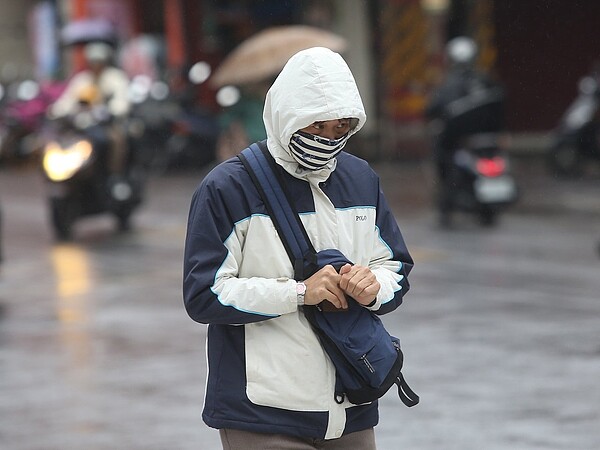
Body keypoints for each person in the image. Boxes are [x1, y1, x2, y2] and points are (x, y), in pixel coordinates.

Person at [183, 47, 414, 449]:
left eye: (340, 127)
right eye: (316, 126)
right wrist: (299, 293)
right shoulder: (226, 189)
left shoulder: (361, 179)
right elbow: (204, 293)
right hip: (263, 410)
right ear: (286, 115)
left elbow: (394, 264)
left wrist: (373, 285)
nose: (328, 139)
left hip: (351, 402)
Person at [425, 36, 505, 226]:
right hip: (483, 139)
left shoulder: (449, 84)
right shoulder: (485, 79)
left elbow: (433, 109)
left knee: (442, 157)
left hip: (460, 141)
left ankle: (447, 203)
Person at [50, 42, 131, 176]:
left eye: (99, 61)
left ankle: (114, 175)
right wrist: (55, 111)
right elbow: (68, 100)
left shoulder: (115, 78)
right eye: (93, 62)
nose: (96, 65)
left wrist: (111, 111)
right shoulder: (82, 80)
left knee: (115, 142)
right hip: (81, 125)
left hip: (107, 125)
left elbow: (122, 101)